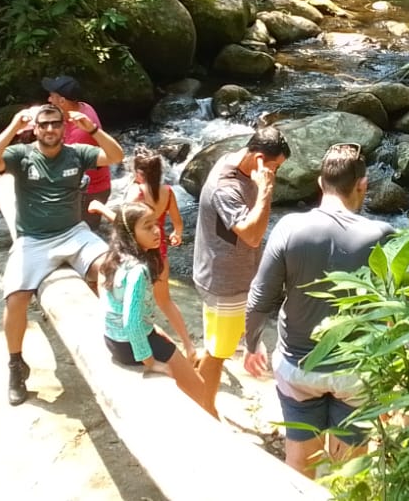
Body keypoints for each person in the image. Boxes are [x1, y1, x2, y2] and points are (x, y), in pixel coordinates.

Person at [243, 143, 393, 477]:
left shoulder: (288, 229)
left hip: (298, 368)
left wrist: (251, 343)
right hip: (354, 372)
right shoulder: (380, 235)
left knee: (299, 461)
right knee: (350, 468)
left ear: (320, 184)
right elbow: (399, 307)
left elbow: (259, 299)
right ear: (362, 185)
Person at [0, 103, 125, 406]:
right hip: (33, 240)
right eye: (43, 125)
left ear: (62, 126)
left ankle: (120, 335)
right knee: (15, 298)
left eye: (54, 124)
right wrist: (13, 127)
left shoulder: (76, 153)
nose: (49, 130)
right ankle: (16, 365)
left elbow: (116, 156)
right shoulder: (21, 156)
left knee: (114, 269)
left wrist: (92, 129)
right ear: (35, 128)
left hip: (75, 233)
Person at [191, 124, 291, 416]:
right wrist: (266, 189)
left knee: (218, 341)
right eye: (274, 167)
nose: (276, 173)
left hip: (229, 272)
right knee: (219, 352)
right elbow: (251, 235)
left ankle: (198, 373)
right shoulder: (227, 186)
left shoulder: (236, 159)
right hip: (223, 281)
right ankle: (205, 408)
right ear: (258, 158)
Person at [99, 200, 214, 414]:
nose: (156, 231)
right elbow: (131, 322)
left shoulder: (114, 257)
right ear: (131, 233)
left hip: (113, 339)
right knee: (201, 389)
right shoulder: (138, 272)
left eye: (157, 224)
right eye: (147, 226)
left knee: (163, 338)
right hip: (131, 346)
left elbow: (111, 305)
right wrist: (150, 362)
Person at [90, 147, 194, 359]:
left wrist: (100, 208)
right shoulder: (168, 192)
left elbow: (126, 225)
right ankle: (189, 346)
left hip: (138, 255)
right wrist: (177, 235)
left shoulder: (136, 192)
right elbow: (178, 224)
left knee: (109, 282)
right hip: (160, 253)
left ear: (138, 173)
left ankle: (124, 332)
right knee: (165, 301)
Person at [42, 75, 112, 230]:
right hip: (94, 186)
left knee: (82, 233)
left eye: (52, 96)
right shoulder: (82, 107)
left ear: (62, 101)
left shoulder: (79, 133)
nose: (49, 99)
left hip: (90, 191)